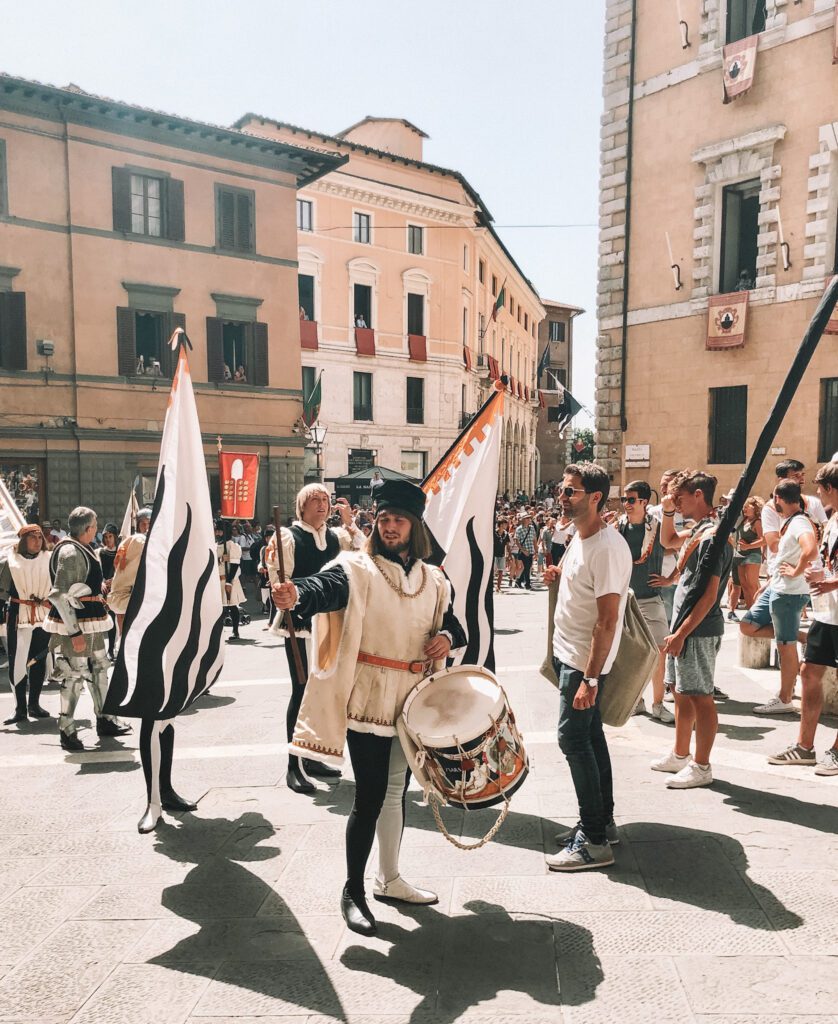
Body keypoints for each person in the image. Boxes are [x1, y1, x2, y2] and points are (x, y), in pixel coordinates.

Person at [273, 478, 466, 934]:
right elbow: (325, 587)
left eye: (398, 519)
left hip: (414, 700)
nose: (390, 526)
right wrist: (297, 594)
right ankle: (353, 891)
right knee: (371, 794)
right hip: (371, 701)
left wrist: (448, 638)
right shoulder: (356, 568)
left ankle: (390, 878)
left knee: (397, 792)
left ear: (415, 525)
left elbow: (456, 624)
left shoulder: (434, 578)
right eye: (383, 519)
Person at [543, 463, 632, 871]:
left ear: (595, 498)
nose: (562, 497)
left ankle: (594, 842)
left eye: (571, 492)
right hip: (571, 655)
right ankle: (603, 823)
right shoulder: (581, 536)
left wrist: (590, 679)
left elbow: (608, 620)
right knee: (591, 738)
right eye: (562, 490)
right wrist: (559, 577)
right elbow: (584, 588)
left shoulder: (607, 548)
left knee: (573, 741)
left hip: (583, 663)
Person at [267, 485, 362, 794]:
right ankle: (293, 765)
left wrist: (350, 524)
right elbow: (278, 579)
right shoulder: (287, 538)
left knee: (324, 688)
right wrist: (282, 592)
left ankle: (311, 757)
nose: (322, 505)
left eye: (325, 500)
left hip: (332, 624)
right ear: (302, 507)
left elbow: (362, 560)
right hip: (301, 624)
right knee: (300, 690)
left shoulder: (338, 536)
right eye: (315, 500)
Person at [652, 471, 733, 789]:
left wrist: (682, 632)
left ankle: (701, 766)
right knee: (681, 693)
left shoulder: (713, 535)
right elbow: (668, 541)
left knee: (700, 697)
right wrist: (669, 511)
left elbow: (711, 595)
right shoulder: (700, 529)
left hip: (697, 629)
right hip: (685, 626)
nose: (676, 503)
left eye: (681, 498)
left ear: (699, 495)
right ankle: (680, 753)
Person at [42, 507, 131, 751]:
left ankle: (105, 718)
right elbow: (59, 595)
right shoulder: (70, 552)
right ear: (88, 528)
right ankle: (67, 730)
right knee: (73, 674)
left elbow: (83, 584)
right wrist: (75, 633)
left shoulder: (83, 548)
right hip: (78, 624)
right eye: (95, 526)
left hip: (92, 620)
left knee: (100, 667)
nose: (97, 530)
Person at [768, 462, 838, 772]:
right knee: (809, 673)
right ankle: (804, 746)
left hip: (832, 601)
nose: (817, 495)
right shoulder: (832, 520)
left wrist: (830, 581)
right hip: (827, 610)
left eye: (821, 489)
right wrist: (818, 576)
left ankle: (836, 750)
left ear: (831, 489)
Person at [740, 480, 818, 715]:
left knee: (785, 646)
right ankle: (803, 637)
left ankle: (784, 697)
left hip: (788, 592)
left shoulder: (799, 523)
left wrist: (795, 572)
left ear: (778, 499)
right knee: (748, 625)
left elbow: (811, 550)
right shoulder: (792, 522)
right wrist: (771, 582)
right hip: (778, 588)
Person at [614, 481, 675, 723]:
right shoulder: (618, 527)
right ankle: (637, 701)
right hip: (624, 599)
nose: (626, 504)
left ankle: (658, 704)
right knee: (632, 653)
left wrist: (671, 578)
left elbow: (683, 547)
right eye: (624, 500)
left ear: (644, 502)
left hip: (650, 598)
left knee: (660, 650)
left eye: (631, 500)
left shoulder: (657, 527)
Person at [0, 524, 52, 725]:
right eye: (32, 537)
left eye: (40, 537)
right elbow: (2, 592)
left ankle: (34, 705)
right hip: (18, 614)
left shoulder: (49, 559)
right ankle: (20, 708)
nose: (37, 541)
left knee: (38, 659)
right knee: (18, 661)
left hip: (42, 613)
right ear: (23, 540)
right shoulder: (10, 561)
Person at [107, 508, 151, 634]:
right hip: (129, 595)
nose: (146, 526)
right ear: (138, 525)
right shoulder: (138, 540)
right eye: (143, 523)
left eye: (149, 523)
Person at [728, 497, 764, 619]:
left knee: (752, 586)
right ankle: (750, 612)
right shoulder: (744, 520)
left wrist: (748, 546)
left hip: (752, 555)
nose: (744, 509)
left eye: (746, 506)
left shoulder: (757, 522)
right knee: (744, 585)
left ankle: (755, 612)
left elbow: (764, 540)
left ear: (754, 508)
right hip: (739, 555)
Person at [216, 520, 245, 641]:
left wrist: (229, 582)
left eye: (219, 530)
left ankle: (235, 631)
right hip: (217, 580)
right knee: (218, 607)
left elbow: (234, 566)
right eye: (217, 530)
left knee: (232, 606)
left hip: (229, 580)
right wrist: (221, 559)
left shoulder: (232, 546)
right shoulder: (215, 545)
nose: (217, 532)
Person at [98, 523, 119, 658]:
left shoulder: (121, 551)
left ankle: (118, 648)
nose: (108, 539)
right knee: (109, 621)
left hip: (119, 588)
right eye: (105, 536)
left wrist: (115, 580)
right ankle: (110, 649)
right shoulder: (100, 552)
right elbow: (98, 570)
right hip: (106, 590)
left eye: (110, 536)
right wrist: (102, 582)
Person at [514, 512, 537, 590]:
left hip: (530, 550)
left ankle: (518, 581)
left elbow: (534, 540)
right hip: (524, 551)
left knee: (527, 567)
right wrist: (523, 550)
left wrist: (536, 551)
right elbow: (516, 541)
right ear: (523, 519)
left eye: (529, 518)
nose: (529, 519)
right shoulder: (519, 529)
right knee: (527, 567)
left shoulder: (532, 528)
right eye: (527, 518)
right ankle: (527, 584)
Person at [493, 518, 510, 593]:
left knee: (500, 571)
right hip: (494, 554)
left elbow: (507, 545)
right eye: (504, 524)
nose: (506, 526)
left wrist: (509, 554)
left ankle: (498, 587)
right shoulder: (494, 533)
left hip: (502, 554)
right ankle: (490, 586)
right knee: (492, 572)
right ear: (500, 525)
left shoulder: (506, 534)